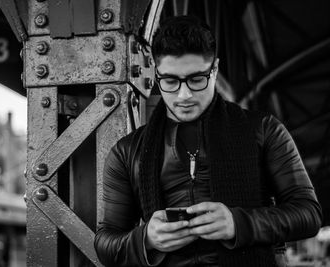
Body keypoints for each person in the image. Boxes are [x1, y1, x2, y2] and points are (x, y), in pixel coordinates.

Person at [94, 15, 322, 267]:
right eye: (170, 81)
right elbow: (106, 244)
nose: (184, 94)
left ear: (214, 70)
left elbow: (309, 214)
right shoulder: (127, 152)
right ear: (156, 74)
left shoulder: (265, 130)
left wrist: (238, 224)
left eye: (196, 79)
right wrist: (145, 239)